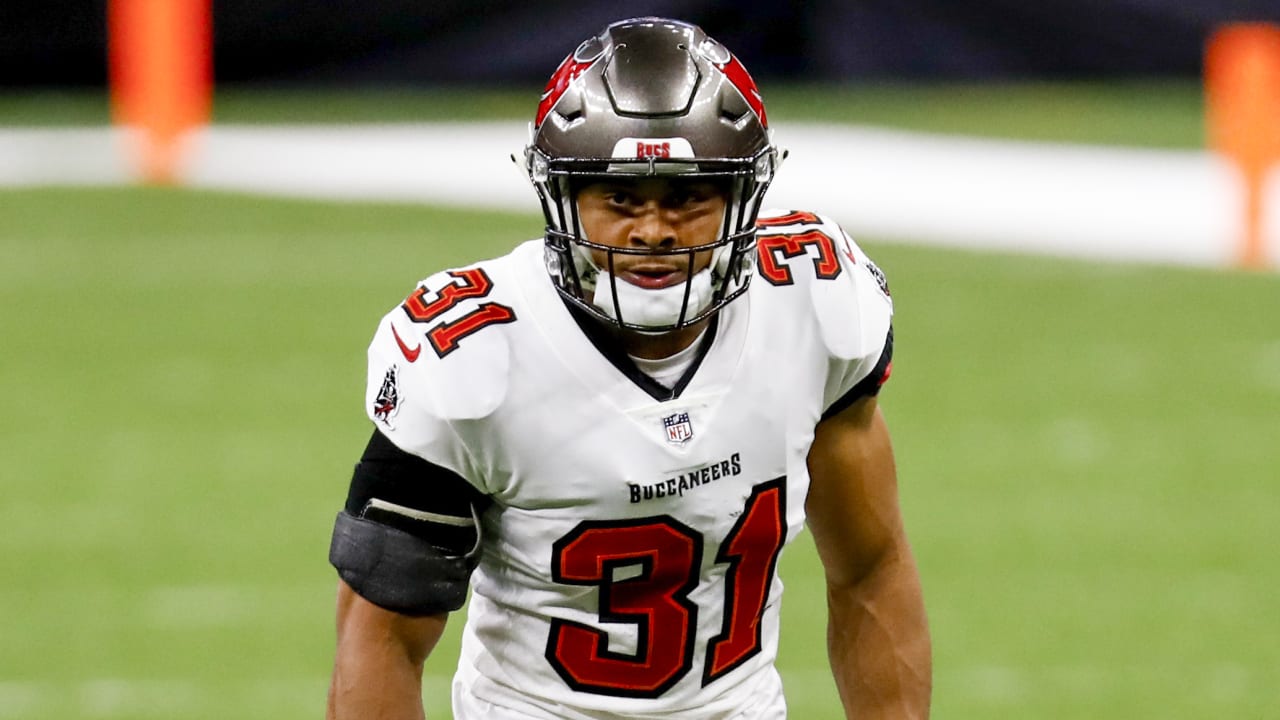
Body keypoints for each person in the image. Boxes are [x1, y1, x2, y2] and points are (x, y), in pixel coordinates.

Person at [326, 16, 930, 720]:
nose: (651, 229)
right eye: (619, 197)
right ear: (563, 198)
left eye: (686, 196)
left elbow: (869, 567)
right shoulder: (475, 355)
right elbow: (379, 639)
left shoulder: (811, 302)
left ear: (743, 198)